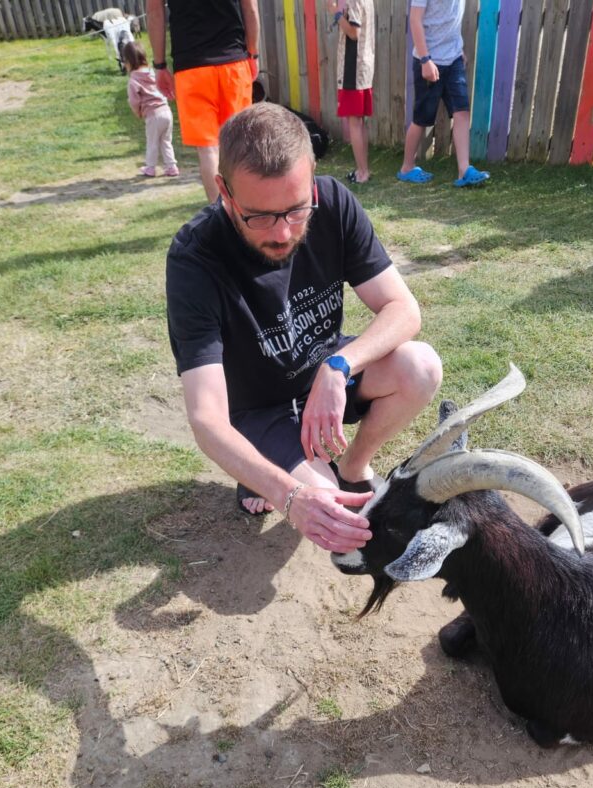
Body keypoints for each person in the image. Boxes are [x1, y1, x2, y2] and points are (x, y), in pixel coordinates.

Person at [166, 104, 442, 554]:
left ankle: (353, 465)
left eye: (296, 209)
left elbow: (403, 309)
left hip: (321, 373)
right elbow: (206, 417)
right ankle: (264, 472)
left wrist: (337, 367)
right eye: (259, 216)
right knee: (329, 511)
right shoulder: (194, 258)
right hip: (257, 410)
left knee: (421, 366)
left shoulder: (332, 202)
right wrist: (290, 496)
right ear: (223, 190)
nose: (283, 233)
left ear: (312, 178)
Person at [146, 0, 260, 203]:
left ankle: (221, 219)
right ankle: (250, 210)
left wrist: (160, 65)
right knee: (240, 144)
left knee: (208, 148)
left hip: (191, 69)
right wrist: (253, 53)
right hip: (233, 62)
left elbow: (154, 12)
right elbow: (250, 7)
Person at [397, 0, 490, 188]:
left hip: (453, 58)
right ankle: (407, 167)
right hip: (429, 60)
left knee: (462, 112)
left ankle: (464, 170)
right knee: (421, 119)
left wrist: (457, 49)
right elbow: (415, 20)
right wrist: (425, 60)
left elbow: (452, 19)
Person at [326, 0, 375, 184]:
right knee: (360, 121)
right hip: (363, 65)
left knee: (355, 121)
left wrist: (336, 13)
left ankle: (362, 173)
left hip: (352, 68)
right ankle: (363, 170)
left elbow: (354, 32)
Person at [123, 41, 179, 179]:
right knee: (166, 141)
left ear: (128, 62)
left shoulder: (134, 79)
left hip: (153, 115)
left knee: (152, 142)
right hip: (166, 111)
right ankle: (171, 166)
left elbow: (134, 100)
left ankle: (150, 168)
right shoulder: (153, 72)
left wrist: (138, 112)